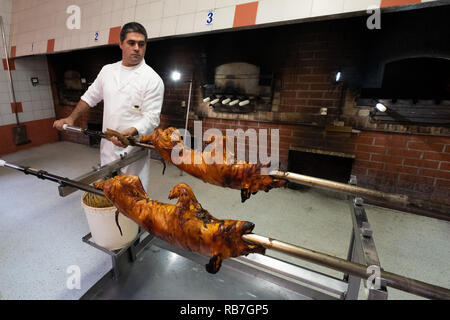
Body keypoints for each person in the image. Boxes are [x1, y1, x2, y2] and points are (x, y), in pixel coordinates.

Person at [53, 22, 164, 190]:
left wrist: (131, 132)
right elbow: (90, 97)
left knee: (133, 198)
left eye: (141, 44)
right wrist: (71, 118)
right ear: (121, 44)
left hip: (133, 151)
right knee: (109, 192)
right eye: (131, 43)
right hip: (108, 148)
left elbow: (152, 118)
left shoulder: (152, 79)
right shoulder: (107, 71)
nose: (136, 48)